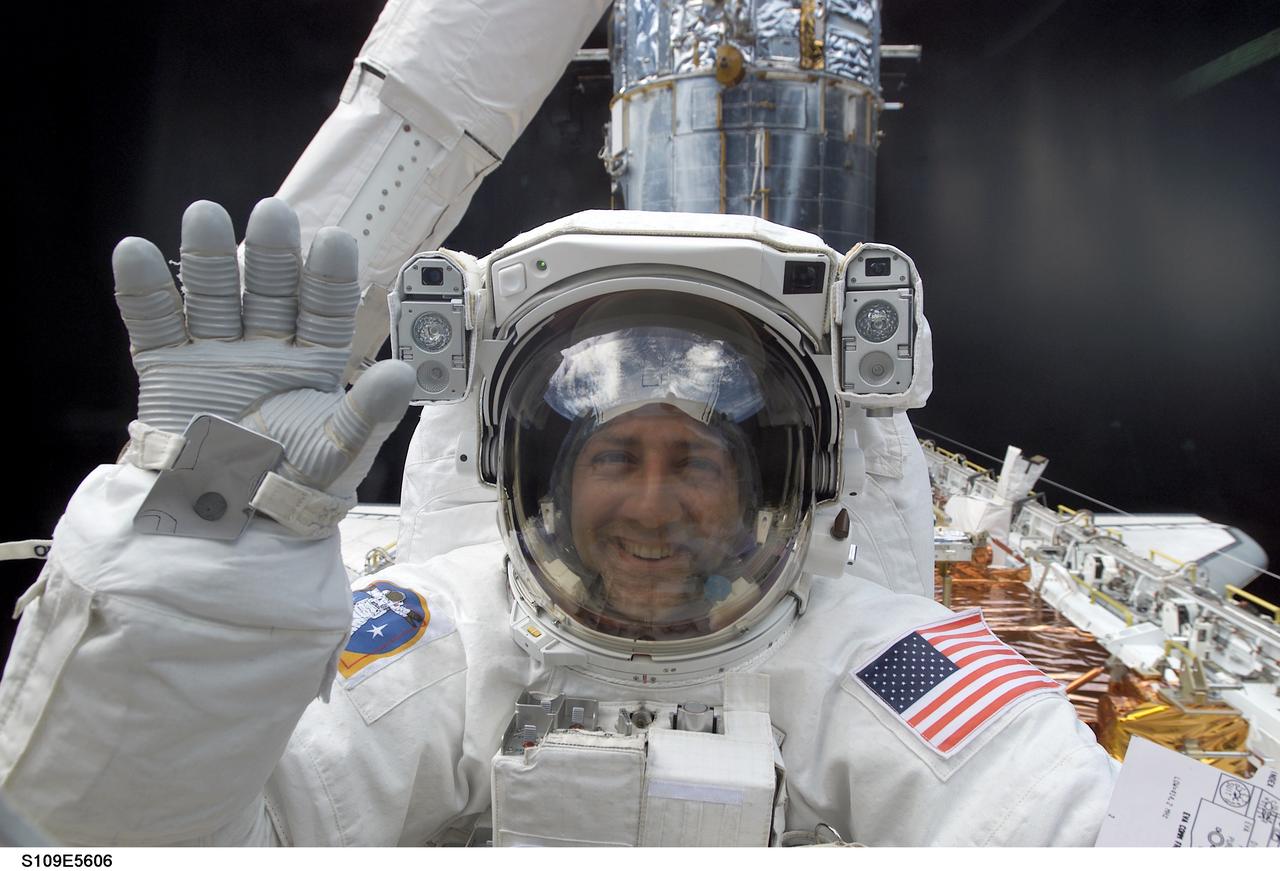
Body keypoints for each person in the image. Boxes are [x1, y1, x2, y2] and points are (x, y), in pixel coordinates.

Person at [0, 198, 1115, 847]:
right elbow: (113, 850)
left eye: (697, 461)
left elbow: (1050, 818)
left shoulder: (884, 662)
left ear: (783, 478)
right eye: (613, 455)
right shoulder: (436, 637)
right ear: (525, 468)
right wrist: (183, 621)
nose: (648, 503)